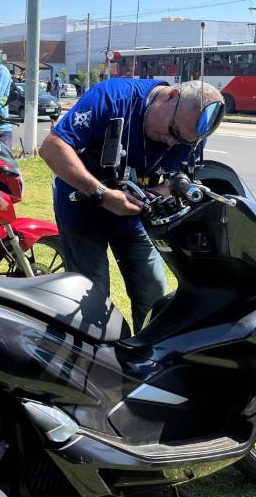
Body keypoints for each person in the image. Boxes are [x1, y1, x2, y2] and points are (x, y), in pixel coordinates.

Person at [39, 79, 223, 331]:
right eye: (173, 131)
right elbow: (52, 147)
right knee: (92, 294)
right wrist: (102, 193)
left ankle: (145, 359)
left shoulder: (192, 131)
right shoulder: (113, 98)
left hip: (136, 214)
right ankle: (93, 359)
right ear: (171, 95)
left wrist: (157, 191)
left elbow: (182, 177)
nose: (171, 143)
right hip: (82, 208)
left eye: (183, 142)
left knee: (153, 291)